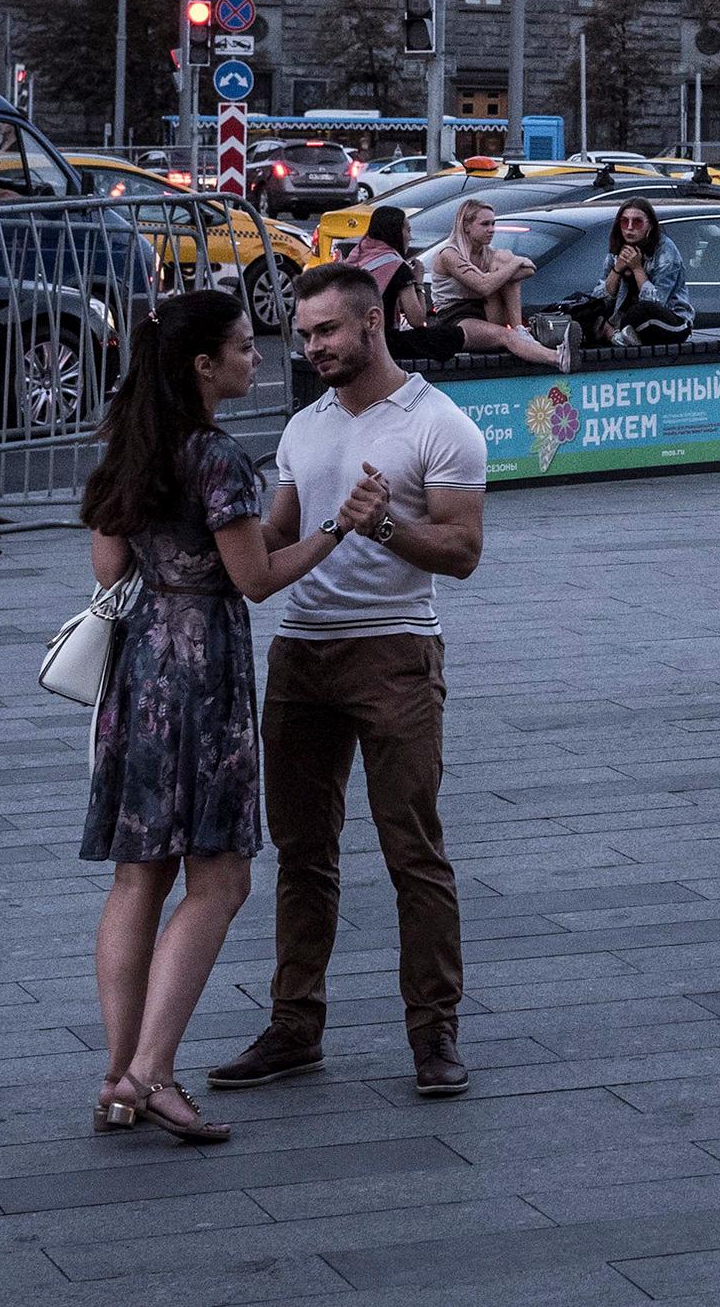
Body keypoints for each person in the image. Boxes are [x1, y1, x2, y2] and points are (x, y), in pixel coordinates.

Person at [77, 289, 378, 1145]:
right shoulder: (217, 457)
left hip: (140, 672)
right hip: (203, 673)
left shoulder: (128, 443)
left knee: (139, 875)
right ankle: (153, 1071)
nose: (259, 356)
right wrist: (335, 530)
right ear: (203, 365)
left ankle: (115, 1076)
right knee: (222, 877)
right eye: (244, 347)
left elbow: (107, 566)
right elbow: (254, 576)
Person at [209, 263, 488, 1099]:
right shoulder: (304, 426)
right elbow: (279, 534)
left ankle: (434, 1034)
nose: (311, 346)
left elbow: (463, 551)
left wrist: (389, 526)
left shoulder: (443, 425)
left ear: (373, 323)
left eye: (326, 330)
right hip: (300, 653)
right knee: (302, 850)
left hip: (396, 650)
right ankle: (296, 1024)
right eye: (302, 334)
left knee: (414, 851)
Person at [408, 200, 569, 369]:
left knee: (503, 259)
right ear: (466, 226)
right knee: (507, 336)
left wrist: (504, 267)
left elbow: (529, 270)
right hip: (456, 317)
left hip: (486, 307)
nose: (491, 229)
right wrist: (515, 263)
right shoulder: (449, 254)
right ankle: (558, 358)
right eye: (485, 224)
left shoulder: (489, 253)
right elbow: (483, 286)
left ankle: (519, 327)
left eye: (493, 224)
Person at [569, 197, 691, 352]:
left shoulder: (665, 252)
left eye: (637, 222)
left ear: (650, 226)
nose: (630, 228)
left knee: (639, 312)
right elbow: (599, 299)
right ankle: (617, 337)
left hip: (670, 322)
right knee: (581, 306)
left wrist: (637, 268)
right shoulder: (617, 250)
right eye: (624, 222)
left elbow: (658, 303)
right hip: (622, 322)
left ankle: (611, 334)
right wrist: (617, 269)